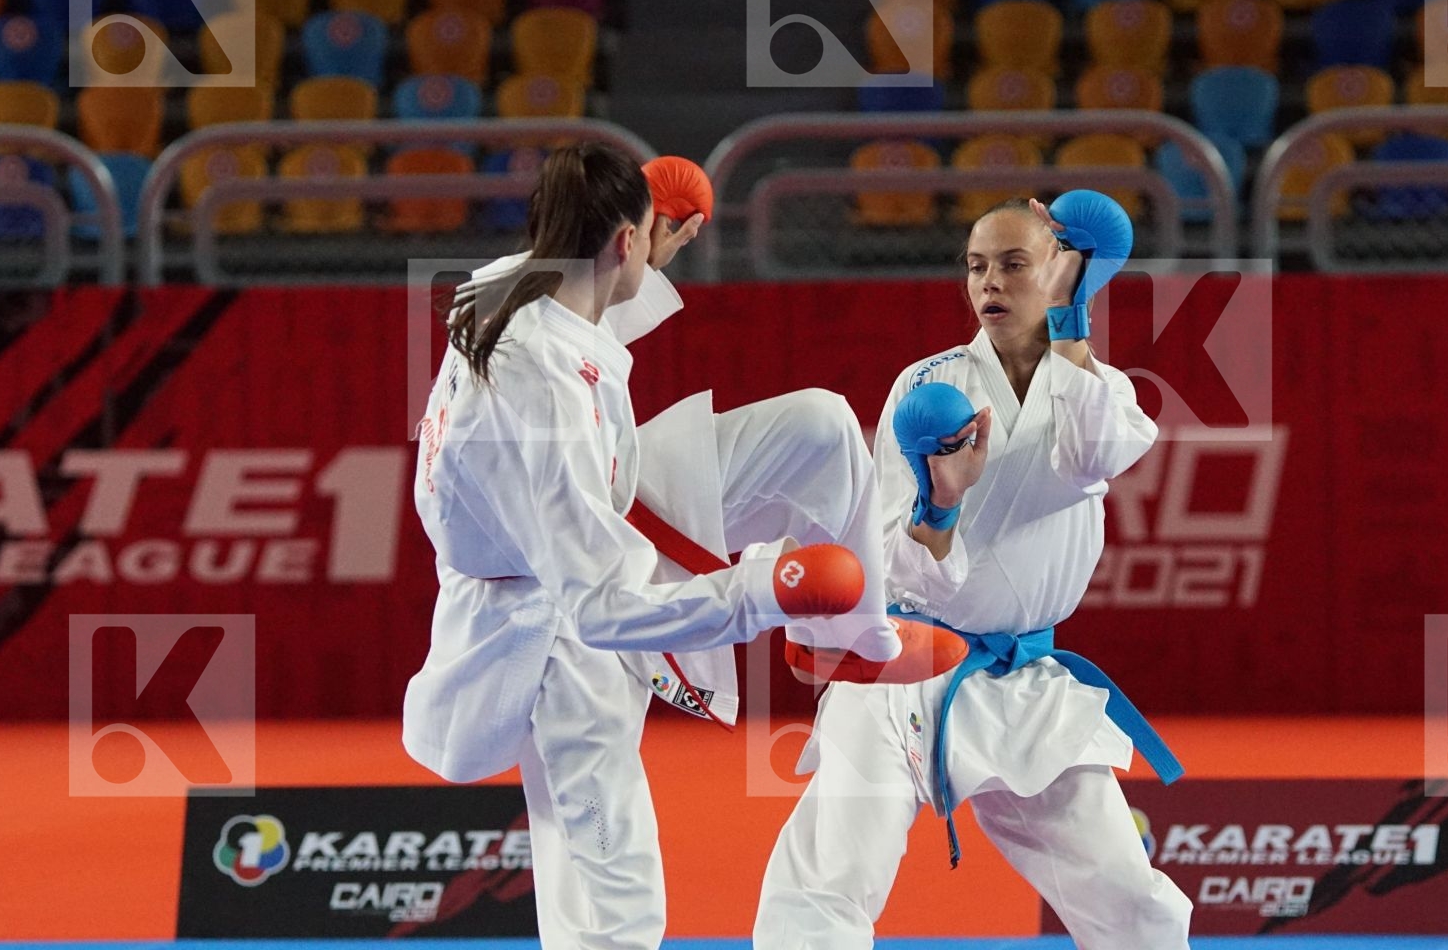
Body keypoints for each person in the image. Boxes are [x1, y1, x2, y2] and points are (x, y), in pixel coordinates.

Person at [404, 142, 936, 950]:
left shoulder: (519, 277)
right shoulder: (542, 393)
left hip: (605, 496)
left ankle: (853, 645)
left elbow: (598, 281)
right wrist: (769, 589)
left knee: (824, 430)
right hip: (550, 613)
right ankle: (809, 616)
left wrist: (658, 224)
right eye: (646, 238)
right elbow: (604, 608)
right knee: (616, 900)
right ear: (624, 241)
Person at [752, 194, 1194, 950]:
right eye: (976, 266)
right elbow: (892, 552)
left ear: (1059, 272)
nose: (990, 283)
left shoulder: (1103, 392)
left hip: (1022, 684)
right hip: (901, 671)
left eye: (1014, 265)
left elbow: (1094, 457)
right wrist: (941, 503)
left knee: (1132, 904)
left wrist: (1074, 319)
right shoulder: (928, 389)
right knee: (826, 885)